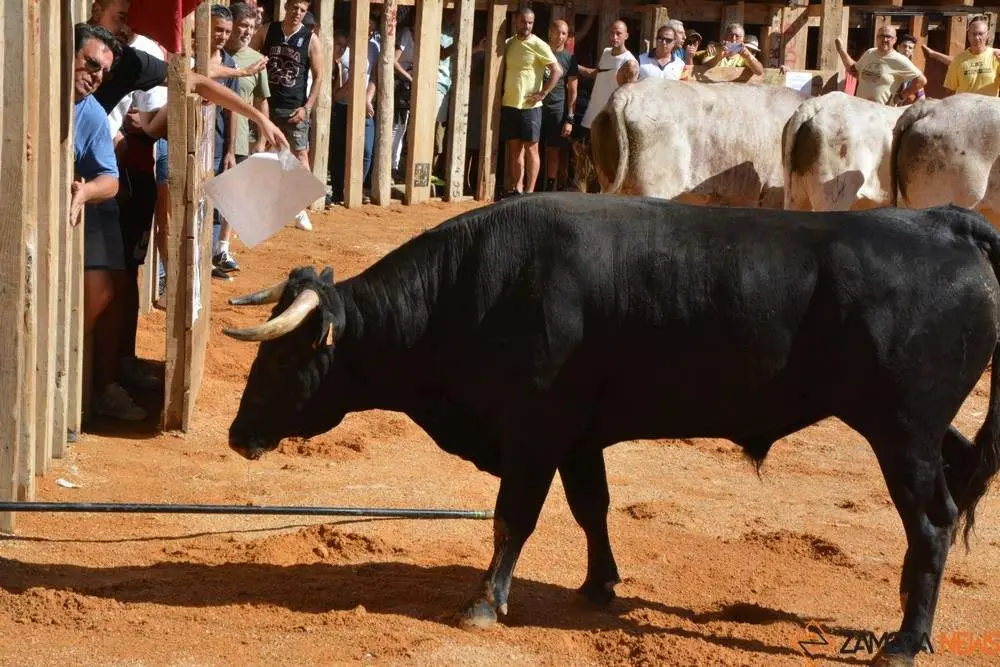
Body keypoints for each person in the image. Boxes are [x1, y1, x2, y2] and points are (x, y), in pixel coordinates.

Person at [73, 23, 148, 421]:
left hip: (86, 211)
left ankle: (95, 386)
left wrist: (84, 192)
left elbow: (110, 180)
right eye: (90, 64)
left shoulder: (90, 114)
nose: (96, 76)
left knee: (105, 291)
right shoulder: (28, 91)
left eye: (103, 71)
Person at [251, 0, 323, 231]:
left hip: (294, 109)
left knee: (300, 157)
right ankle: (260, 207)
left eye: (302, 10)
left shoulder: (310, 39)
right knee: (262, 153)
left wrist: (307, 108)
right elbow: (250, 56)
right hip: (266, 105)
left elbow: (319, 76)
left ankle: (300, 210)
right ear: (286, 7)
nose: (297, 13)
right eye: (294, 8)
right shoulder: (267, 31)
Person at [218, 2, 271, 275]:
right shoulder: (217, 55)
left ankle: (223, 248)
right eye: (243, 26)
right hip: (214, 136)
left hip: (239, 139)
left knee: (234, 196)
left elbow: (261, 100)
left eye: (251, 27)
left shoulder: (257, 60)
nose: (247, 32)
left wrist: (261, 138)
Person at [500, 7, 562, 197]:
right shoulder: (508, 43)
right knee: (514, 150)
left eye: (530, 22)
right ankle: (517, 190)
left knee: (531, 149)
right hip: (510, 103)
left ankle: (529, 192)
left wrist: (543, 93)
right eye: (523, 22)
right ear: (516, 22)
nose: (526, 26)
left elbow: (557, 70)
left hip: (530, 107)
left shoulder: (539, 44)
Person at [835, 25, 926, 105]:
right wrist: (841, 50)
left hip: (882, 113)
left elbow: (921, 80)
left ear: (895, 40)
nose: (885, 39)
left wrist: (902, 96)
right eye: (882, 36)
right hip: (861, 109)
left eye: (888, 37)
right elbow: (853, 71)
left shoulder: (900, 60)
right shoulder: (869, 53)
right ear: (877, 38)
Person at [579, 20, 637, 137]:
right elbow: (596, 74)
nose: (614, 37)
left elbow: (630, 97)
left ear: (626, 36)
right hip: (593, 114)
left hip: (609, 121)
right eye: (612, 33)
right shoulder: (606, 52)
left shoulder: (630, 63)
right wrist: (572, 66)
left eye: (618, 33)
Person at [541, 19, 578, 192]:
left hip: (557, 109)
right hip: (536, 106)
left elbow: (573, 90)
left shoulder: (569, 58)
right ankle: (527, 187)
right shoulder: (540, 51)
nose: (560, 36)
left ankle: (550, 187)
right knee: (531, 147)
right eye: (557, 32)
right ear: (550, 32)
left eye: (564, 33)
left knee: (553, 150)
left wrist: (569, 118)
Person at [944, 16, 1000, 96]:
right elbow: (950, 91)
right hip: (965, 104)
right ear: (968, 35)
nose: (976, 38)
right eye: (973, 34)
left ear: (987, 35)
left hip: (988, 104)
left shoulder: (996, 56)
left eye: (980, 34)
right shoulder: (958, 60)